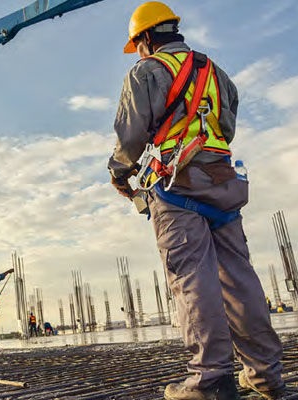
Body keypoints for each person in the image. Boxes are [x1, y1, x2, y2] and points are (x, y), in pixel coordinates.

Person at [108, 2, 285, 399]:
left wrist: (119, 171)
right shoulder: (216, 73)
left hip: (176, 187)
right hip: (222, 183)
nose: (137, 51)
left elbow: (131, 136)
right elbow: (226, 128)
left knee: (192, 280)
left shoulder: (146, 71)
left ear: (147, 37)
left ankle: (211, 379)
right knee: (240, 281)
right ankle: (265, 375)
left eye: (137, 43)